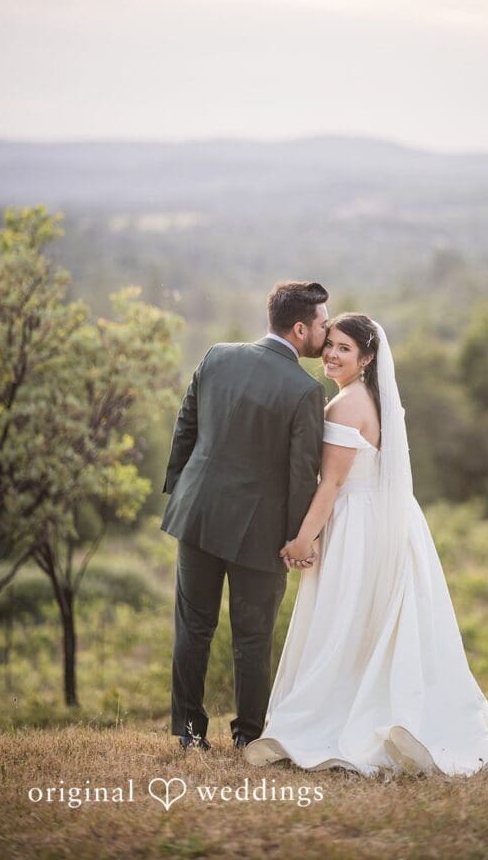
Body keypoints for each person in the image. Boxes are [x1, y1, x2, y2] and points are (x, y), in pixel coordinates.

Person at [245, 313, 488, 776]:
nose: (331, 354)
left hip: (358, 524)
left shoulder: (346, 406)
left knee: (344, 622)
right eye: (329, 344)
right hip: (389, 520)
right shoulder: (375, 399)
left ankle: (341, 721)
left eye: (344, 349)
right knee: (369, 625)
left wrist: (302, 539)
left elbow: (331, 484)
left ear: (368, 357)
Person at [161, 280, 329, 751]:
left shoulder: (217, 356)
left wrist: (183, 490)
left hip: (197, 515)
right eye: (321, 324)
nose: (326, 330)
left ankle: (190, 734)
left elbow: (186, 423)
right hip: (261, 534)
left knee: (193, 626)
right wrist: (300, 539)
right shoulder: (305, 390)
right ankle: (249, 736)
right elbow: (303, 475)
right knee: (252, 638)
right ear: (300, 329)